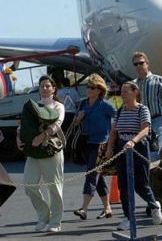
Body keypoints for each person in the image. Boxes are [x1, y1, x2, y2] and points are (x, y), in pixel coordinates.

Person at [106, 81, 162, 230]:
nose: (123, 94)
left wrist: (133, 141)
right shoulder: (120, 111)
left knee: (141, 183)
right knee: (123, 185)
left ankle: (154, 205)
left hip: (138, 148)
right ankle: (128, 217)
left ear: (135, 92)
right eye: (122, 91)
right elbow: (114, 131)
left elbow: (145, 130)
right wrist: (110, 147)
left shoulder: (142, 110)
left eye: (126, 91)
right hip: (122, 148)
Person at [16, 75, 65, 233]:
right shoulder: (32, 105)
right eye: (42, 86)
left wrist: (42, 136)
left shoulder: (58, 106)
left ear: (53, 88)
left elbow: (57, 124)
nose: (44, 88)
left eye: (47, 86)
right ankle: (44, 215)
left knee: (54, 188)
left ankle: (56, 221)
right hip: (33, 152)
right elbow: (23, 124)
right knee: (29, 186)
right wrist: (18, 137)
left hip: (51, 150)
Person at [72, 74, 116, 220]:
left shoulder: (105, 105)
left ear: (99, 90)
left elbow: (117, 119)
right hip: (86, 143)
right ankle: (107, 208)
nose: (89, 89)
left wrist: (112, 140)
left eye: (92, 87)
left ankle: (84, 208)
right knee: (98, 176)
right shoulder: (83, 103)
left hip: (100, 144)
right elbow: (75, 123)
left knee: (91, 174)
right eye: (88, 86)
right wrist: (79, 117)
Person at [132, 52, 162, 161]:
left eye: (141, 63)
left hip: (158, 120)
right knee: (142, 154)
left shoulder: (159, 80)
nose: (139, 66)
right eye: (136, 64)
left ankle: (153, 177)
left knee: (155, 153)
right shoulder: (133, 85)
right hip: (141, 123)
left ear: (147, 64)